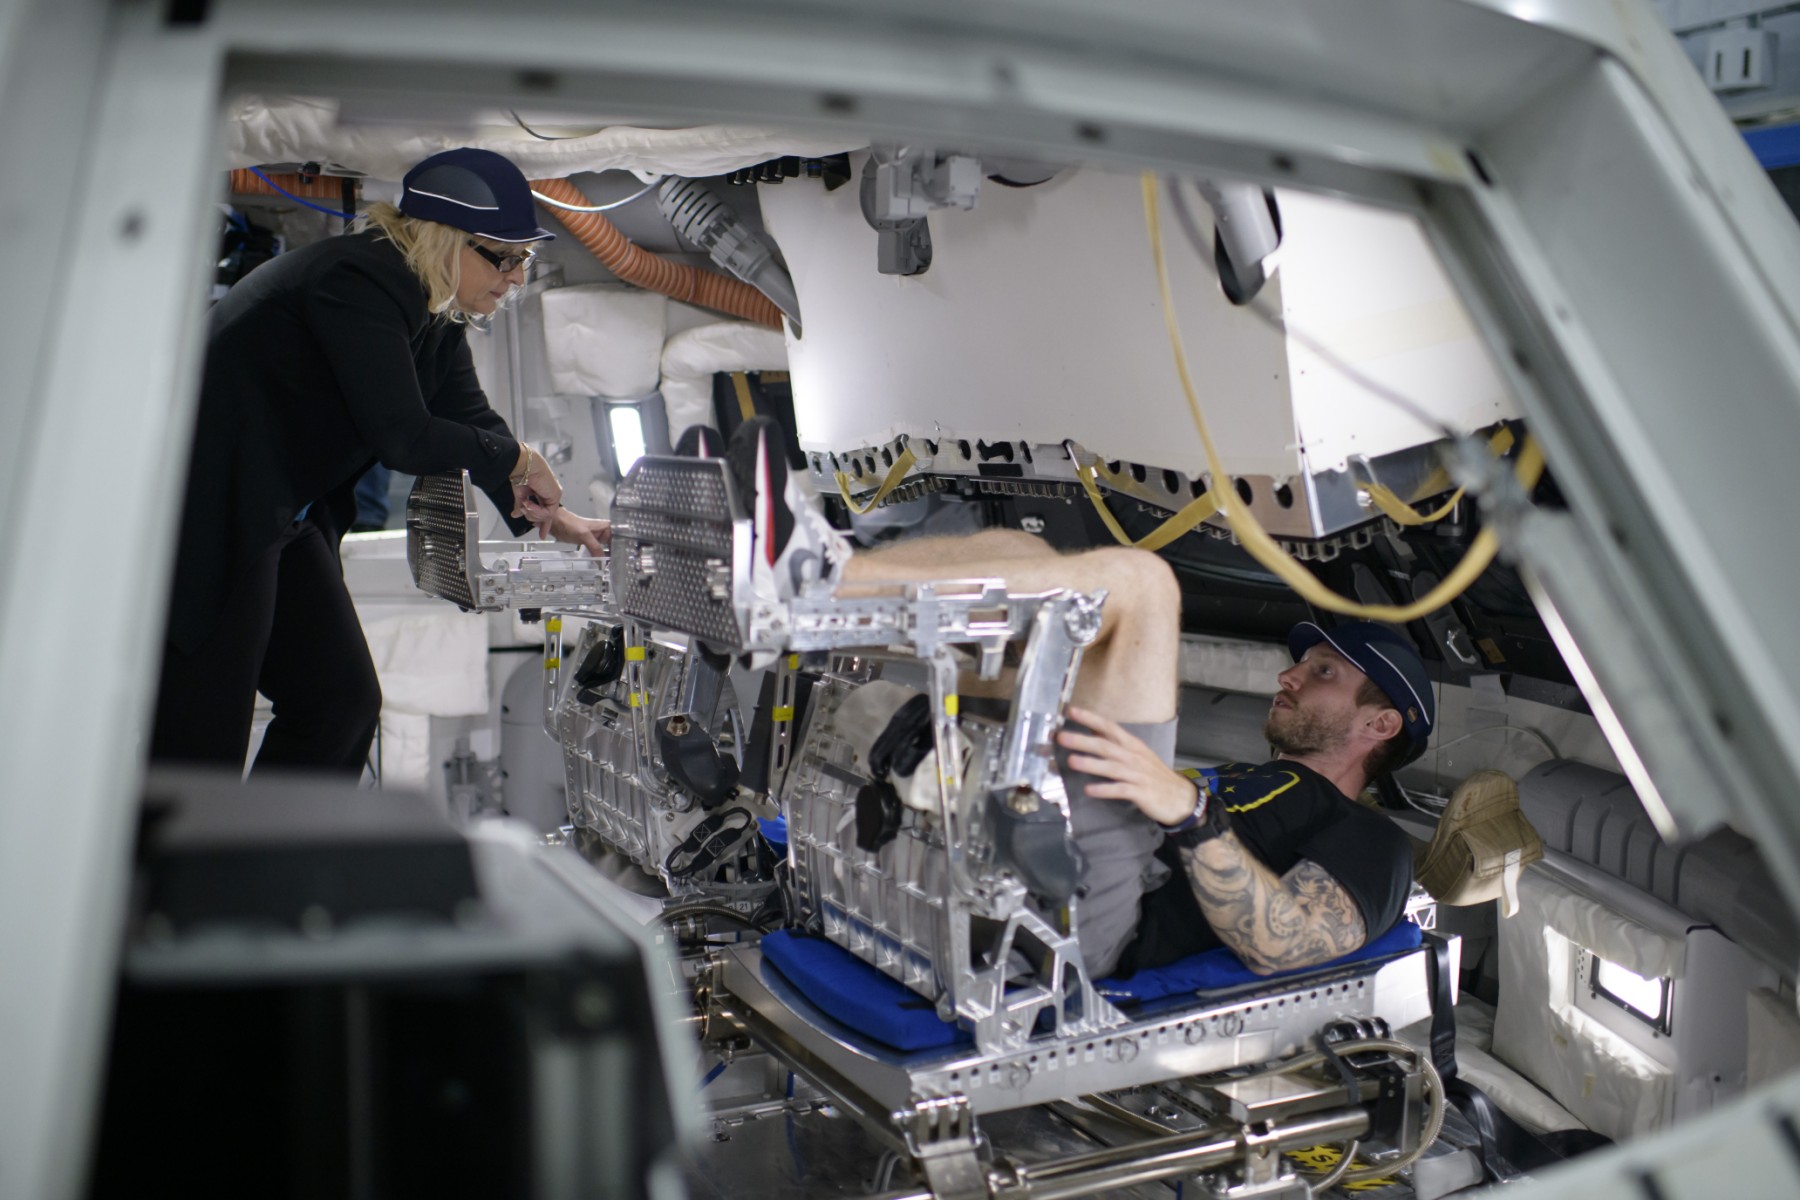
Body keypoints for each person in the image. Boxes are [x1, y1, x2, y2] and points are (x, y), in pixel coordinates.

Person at [717, 416, 1427, 978]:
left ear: (1382, 723)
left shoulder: (1375, 843)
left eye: (1324, 675)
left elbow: (1289, 945)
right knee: (1016, 554)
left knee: (1143, 583)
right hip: (1060, 841)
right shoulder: (1251, 779)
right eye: (1302, 666)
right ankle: (797, 576)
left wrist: (1188, 811)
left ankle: (804, 592)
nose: (1290, 677)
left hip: (1101, 914)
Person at [153, 148, 609, 777]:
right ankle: (180, 871)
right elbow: (404, 437)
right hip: (210, 509)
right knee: (204, 731)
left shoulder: (434, 310)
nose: (515, 277)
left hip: (281, 510)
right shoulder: (358, 279)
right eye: (502, 257)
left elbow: (476, 424)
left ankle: (267, 863)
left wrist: (559, 521)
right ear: (443, 238)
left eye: (523, 258)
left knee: (339, 703)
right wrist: (518, 456)